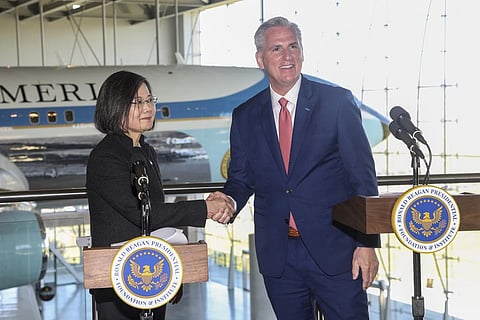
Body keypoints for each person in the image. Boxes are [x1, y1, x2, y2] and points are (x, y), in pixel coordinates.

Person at [209, 16, 380, 319]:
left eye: (293, 47)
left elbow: (362, 178)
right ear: (260, 59)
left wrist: (366, 244)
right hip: (280, 257)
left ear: (302, 52)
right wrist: (229, 201)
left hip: (337, 253)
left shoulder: (337, 102)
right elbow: (241, 178)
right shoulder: (246, 115)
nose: (287, 56)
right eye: (276, 49)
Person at [86, 70, 233, 320]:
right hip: (118, 277)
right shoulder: (106, 156)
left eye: (150, 100)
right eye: (137, 101)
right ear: (114, 105)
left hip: (154, 273)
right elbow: (142, 213)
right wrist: (205, 209)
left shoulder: (145, 150)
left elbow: (154, 212)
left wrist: (172, 276)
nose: (148, 108)